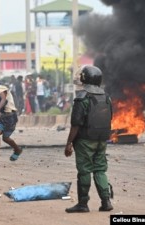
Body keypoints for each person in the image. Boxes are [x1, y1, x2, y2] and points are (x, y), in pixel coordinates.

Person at [64, 65, 113, 213]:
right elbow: (110, 118)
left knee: (84, 171)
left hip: (85, 141)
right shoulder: (106, 97)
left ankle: (83, 204)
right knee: (100, 170)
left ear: (84, 78)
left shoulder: (82, 97)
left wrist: (69, 143)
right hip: (101, 139)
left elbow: (75, 124)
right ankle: (106, 202)